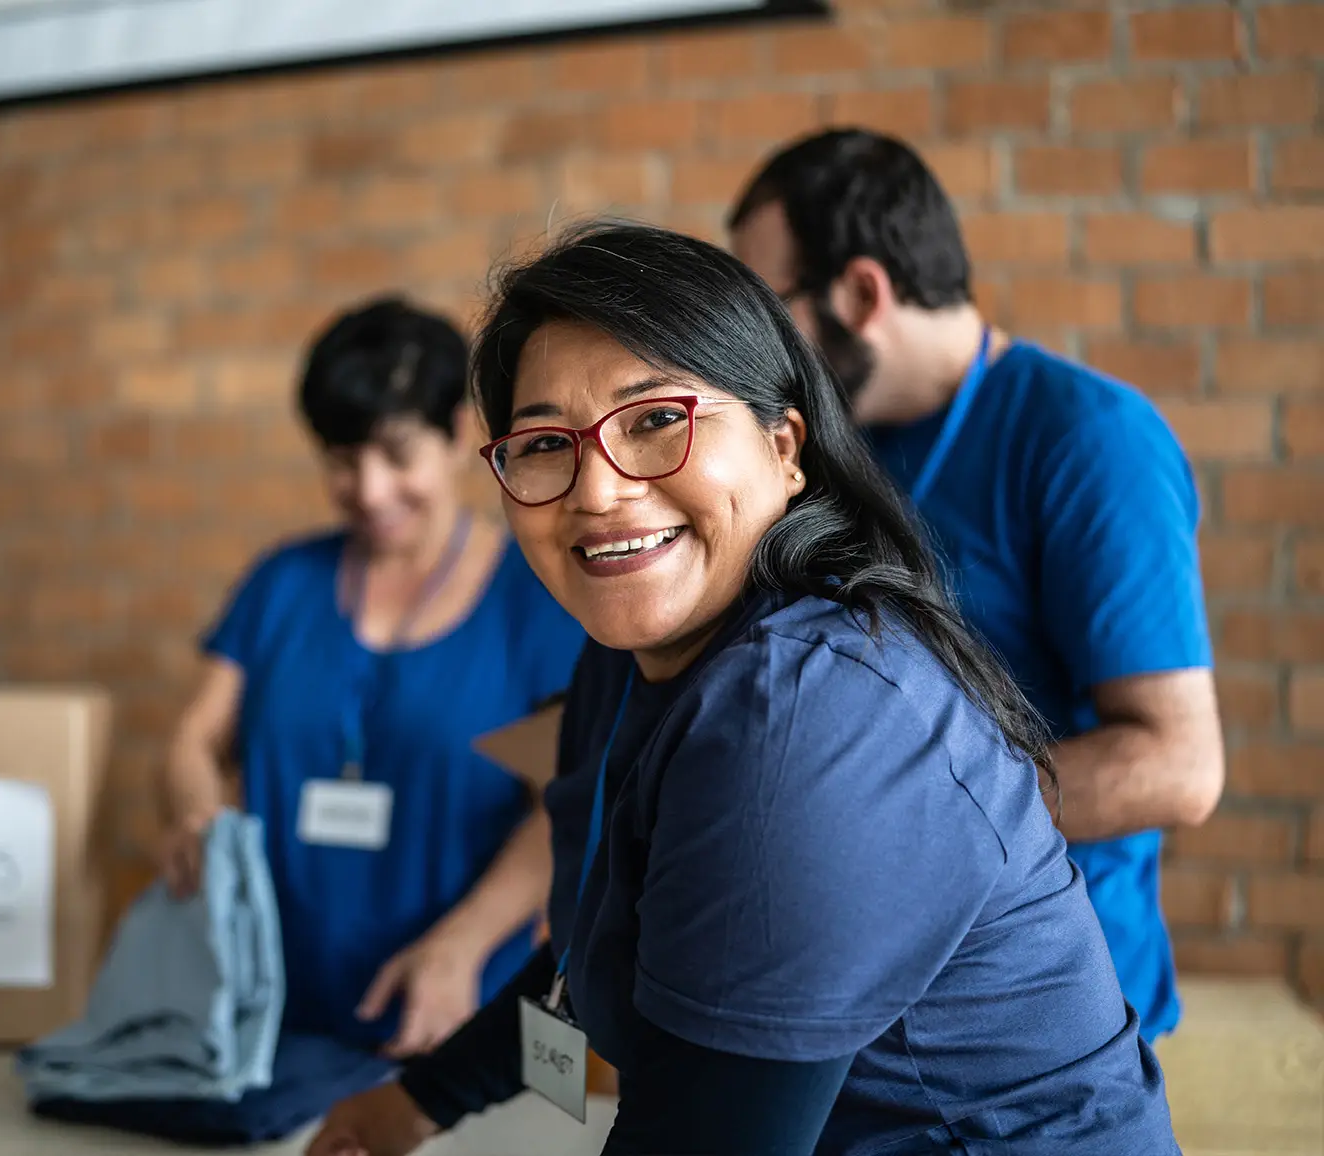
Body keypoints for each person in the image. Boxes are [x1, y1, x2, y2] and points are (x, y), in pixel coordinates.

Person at [305, 224, 1181, 1155]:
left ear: (784, 447)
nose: (597, 491)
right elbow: (603, 958)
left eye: (655, 420)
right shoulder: (625, 661)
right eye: (545, 442)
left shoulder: (812, 713)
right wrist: (421, 1102)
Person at [729, 128, 1224, 1043]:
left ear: (862, 291)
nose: (762, 354)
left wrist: (878, 819)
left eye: (774, 310)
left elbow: (1176, 767)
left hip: (1048, 1018)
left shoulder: (1088, 438)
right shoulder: (834, 445)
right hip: (861, 988)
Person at [160, 297, 587, 1060]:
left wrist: (460, 945)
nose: (369, 489)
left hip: (454, 1020)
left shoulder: (532, 600)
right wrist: (197, 816)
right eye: (341, 458)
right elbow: (196, 736)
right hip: (273, 1012)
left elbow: (567, 806)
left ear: (458, 433)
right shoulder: (283, 582)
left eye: (395, 454)